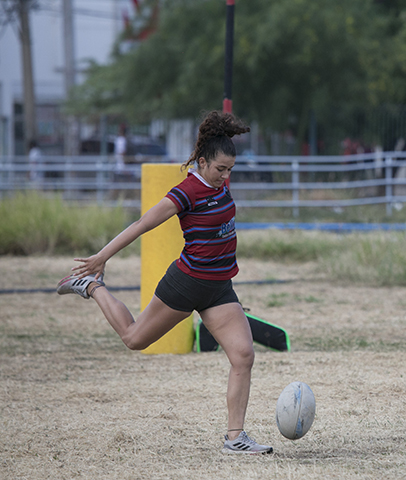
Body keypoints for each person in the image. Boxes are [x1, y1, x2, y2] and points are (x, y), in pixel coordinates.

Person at [56, 111, 273, 455]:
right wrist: (101, 257)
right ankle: (92, 286)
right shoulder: (186, 191)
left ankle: (235, 438)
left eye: (230, 170)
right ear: (202, 162)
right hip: (186, 283)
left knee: (243, 355)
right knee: (134, 339)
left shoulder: (219, 183)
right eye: (220, 169)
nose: (226, 176)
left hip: (219, 287)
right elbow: (142, 224)